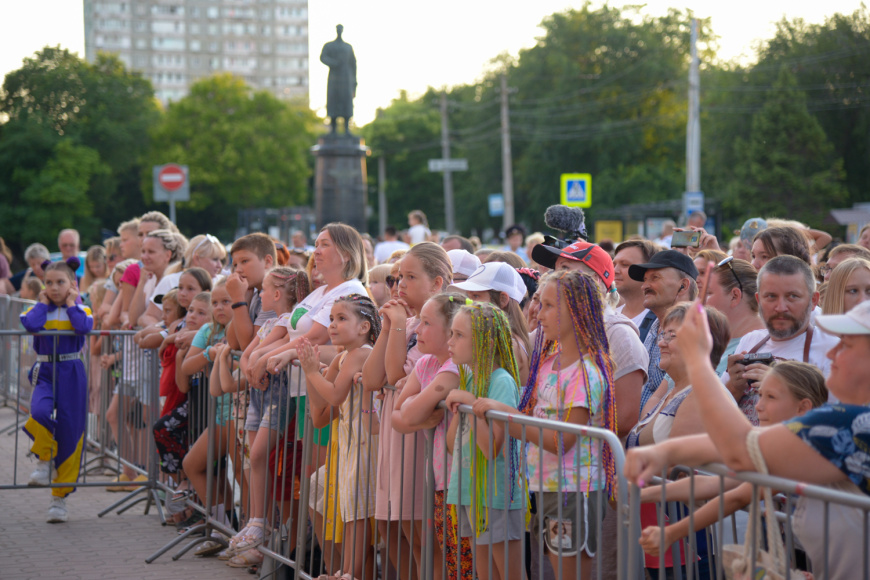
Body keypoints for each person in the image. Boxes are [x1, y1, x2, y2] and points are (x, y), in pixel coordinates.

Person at [624, 299, 870, 580]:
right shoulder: (844, 420)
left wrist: (698, 362)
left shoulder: (854, 424)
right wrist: (663, 454)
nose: (833, 353)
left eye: (847, 345)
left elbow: (744, 451)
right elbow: (752, 450)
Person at [472, 270, 617, 580]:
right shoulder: (549, 363)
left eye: (550, 305)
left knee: (570, 572)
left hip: (573, 491)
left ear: (577, 312)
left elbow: (562, 440)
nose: (538, 312)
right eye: (540, 303)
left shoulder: (587, 372)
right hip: (544, 486)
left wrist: (504, 416)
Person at [637, 360, 828, 559]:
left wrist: (671, 532)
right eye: (760, 395)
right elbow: (716, 482)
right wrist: (645, 491)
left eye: (771, 397)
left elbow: (737, 497)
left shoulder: (802, 448)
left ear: (803, 407)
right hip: (808, 550)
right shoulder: (775, 442)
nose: (759, 406)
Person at [362, 241, 453, 580]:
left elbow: (397, 375)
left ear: (438, 283)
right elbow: (373, 380)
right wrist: (389, 327)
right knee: (393, 527)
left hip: (419, 439)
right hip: (394, 430)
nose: (399, 285)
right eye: (398, 277)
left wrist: (398, 325)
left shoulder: (433, 329)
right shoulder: (409, 323)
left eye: (410, 277)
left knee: (421, 536)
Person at [298, 294, 381, 580]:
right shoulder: (345, 355)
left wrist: (312, 371)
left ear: (364, 327)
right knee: (345, 509)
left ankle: (348, 574)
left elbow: (334, 394)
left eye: (341, 319)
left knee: (356, 513)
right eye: (331, 318)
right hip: (347, 445)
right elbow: (321, 415)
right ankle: (344, 571)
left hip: (364, 443)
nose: (332, 325)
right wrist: (312, 375)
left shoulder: (362, 353)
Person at [532, 240, 649, 435]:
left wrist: (558, 434)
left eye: (565, 269)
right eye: (555, 270)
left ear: (594, 281)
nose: (554, 277)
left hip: (586, 460)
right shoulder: (552, 328)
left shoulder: (620, 335)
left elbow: (625, 419)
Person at [391, 293, 470, 580]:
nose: (417, 330)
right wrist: (417, 414)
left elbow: (407, 416)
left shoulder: (454, 370)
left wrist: (415, 413)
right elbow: (396, 418)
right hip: (440, 479)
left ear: (450, 332)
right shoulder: (425, 364)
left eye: (426, 323)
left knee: (462, 562)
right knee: (446, 553)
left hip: (462, 482)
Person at [445, 303, 526, 580]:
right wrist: (462, 401)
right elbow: (450, 444)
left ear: (484, 341)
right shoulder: (469, 378)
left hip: (496, 494)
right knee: (485, 573)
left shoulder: (500, 381)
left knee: (509, 573)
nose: (450, 342)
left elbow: (491, 448)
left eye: (458, 335)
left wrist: (469, 402)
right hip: (470, 491)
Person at [722, 256, 839, 424]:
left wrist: (781, 385)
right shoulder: (750, 341)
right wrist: (734, 386)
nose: (781, 307)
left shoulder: (832, 350)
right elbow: (719, 412)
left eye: (792, 296)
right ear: (758, 301)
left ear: (813, 301)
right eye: (771, 296)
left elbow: (834, 424)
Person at [20, 257, 94, 523]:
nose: (53, 288)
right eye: (48, 283)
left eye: (60, 282)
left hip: (72, 372)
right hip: (45, 371)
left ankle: (59, 499)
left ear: (72, 284)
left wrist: (73, 302)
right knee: (38, 411)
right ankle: (44, 457)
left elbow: (84, 328)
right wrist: (42, 302)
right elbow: (29, 324)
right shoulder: (39, 309)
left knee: (70, 433)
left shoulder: (81, 309)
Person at [627, 250, 699, 415]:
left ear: (683, 286)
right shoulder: (654, 325)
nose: (644, 286)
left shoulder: (695, 330)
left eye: (655, 278)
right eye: (645, 280)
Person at [451, 261, 532, 386]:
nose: (470, 304)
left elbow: (491, 397)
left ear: (503, 299)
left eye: (476, 296)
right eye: (469, 297)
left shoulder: (508, 344)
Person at [704, 257, 764, 374]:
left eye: (708, 293)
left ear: (734, 296)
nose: (701, 301)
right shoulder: (714, 341)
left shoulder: (760, 346)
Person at [613, 239, 659, 334]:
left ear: (648, 270)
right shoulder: (610, 316)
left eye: (625, 265)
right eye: (614, 264)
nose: (615, 270)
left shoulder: (659, 320)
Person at [320, 24, 357, 134]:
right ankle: (333, 129)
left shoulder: (348, 47)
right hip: (334, 78)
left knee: (346, 101)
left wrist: (354, 82)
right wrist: (334, 63)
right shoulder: (329, 46)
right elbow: (323, 57)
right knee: (333, 101)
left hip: (346, 78)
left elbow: (353, 64)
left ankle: (347, 129)